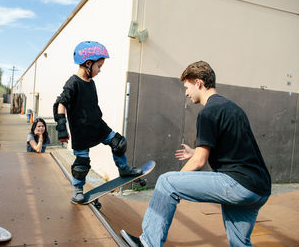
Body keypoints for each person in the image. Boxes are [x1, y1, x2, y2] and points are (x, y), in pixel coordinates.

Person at [121, 61, 271, 247]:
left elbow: (200, 161)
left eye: (187, 87)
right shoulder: (232, 108)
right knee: (239, 243)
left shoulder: (208, 112)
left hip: (238, 184)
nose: (186, 93)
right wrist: (195, 152)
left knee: (166, 182)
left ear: (198, 83)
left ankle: (147, 243)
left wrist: (178, 182)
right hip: (259, 189)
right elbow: (233, 148)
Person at [53, 41, 142, 203]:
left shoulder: (91, 82)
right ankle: (78, 189)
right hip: (80, 131)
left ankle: (124, 169)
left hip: (97, 125)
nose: (100, 70)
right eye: (99, 66)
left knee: (119, 143)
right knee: (82, 164)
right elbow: (61, 103)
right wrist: (61, 129)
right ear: (88, 63)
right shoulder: (73, 83)